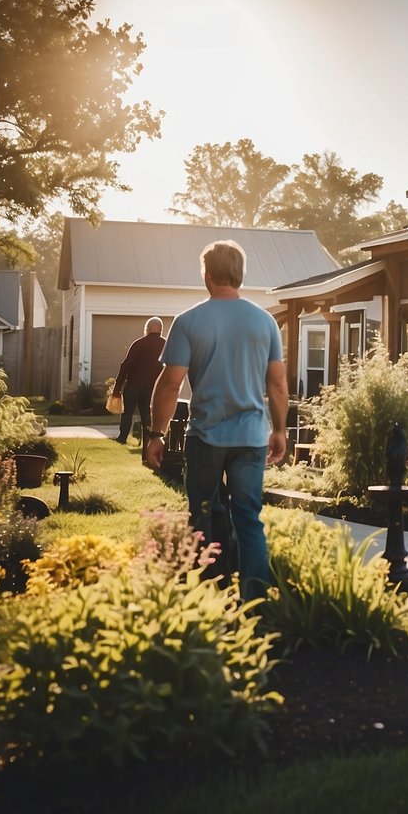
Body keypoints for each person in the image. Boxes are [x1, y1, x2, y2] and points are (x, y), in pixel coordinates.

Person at [145, 240, 287, 599]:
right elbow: (278, 383)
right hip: (252, 438)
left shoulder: (189, 321)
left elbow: (169, 384)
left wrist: (156, 434)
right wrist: (281, 430)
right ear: (240, 275)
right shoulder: (265, 322)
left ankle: (209, 595)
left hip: (206, 438)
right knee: (248, 519)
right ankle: (255, 600)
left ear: (207, 275)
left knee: (203, 516)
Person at [111, 317, 165, 444]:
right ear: (161, 330)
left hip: (133, 385)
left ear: (147, 329)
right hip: (153, 387)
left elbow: (126, 364)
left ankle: (122, 438)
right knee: (147, 415)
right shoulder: (166, 344)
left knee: (127, 412)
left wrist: (118, 385)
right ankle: (148, 440)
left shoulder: (139, 343)